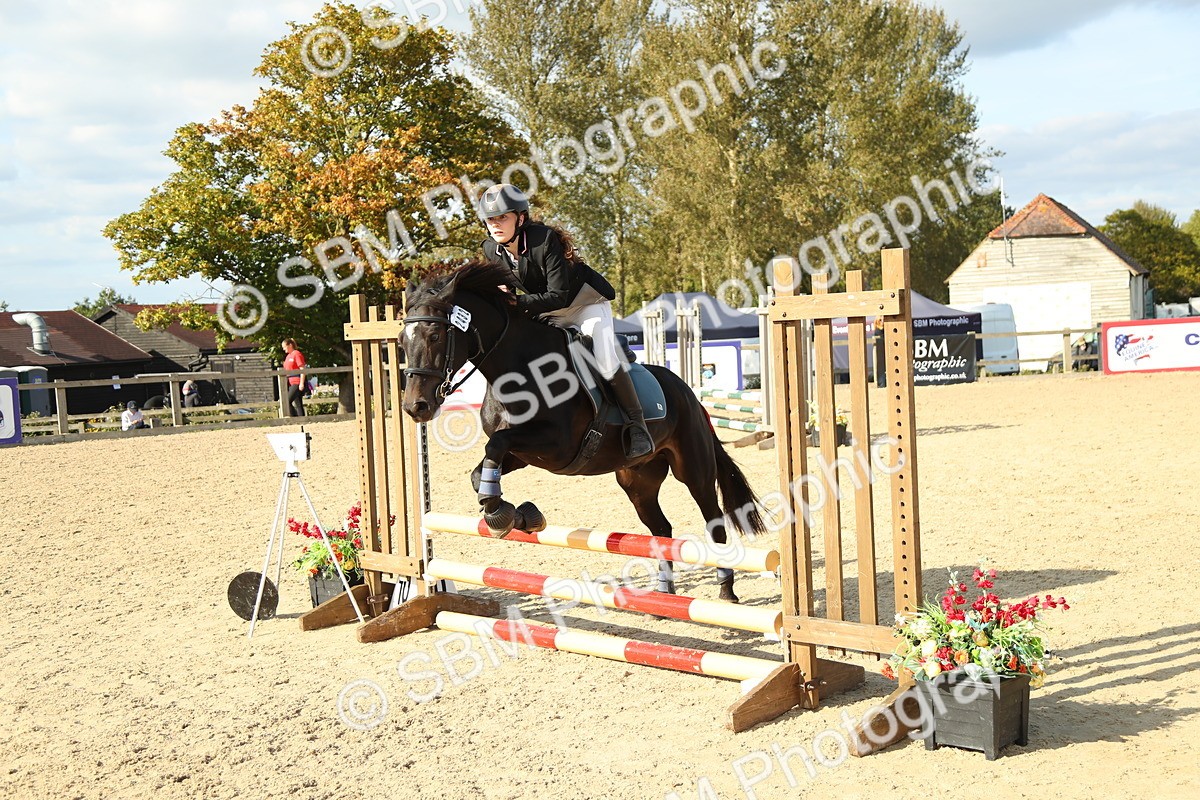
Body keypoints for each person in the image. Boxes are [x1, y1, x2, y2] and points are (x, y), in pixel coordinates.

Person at [477, 184, 652, 457]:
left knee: (605, 360)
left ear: (520, 218)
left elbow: (558, 295)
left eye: (502, 217)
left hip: (583, 305)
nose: (495, 225)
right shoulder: (491, 249)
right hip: (544, 310)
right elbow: (507, 293)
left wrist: (516, 302)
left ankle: (637, 425)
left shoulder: (544, 240)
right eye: (490, 220)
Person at [281, 338, 307, 417]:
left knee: (287, 401)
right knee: (298, 403)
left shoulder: (296, 354)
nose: (283, 349)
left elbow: (302, 369)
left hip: (297, 381)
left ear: (290, 345)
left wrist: (301, 383)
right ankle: (301, 419)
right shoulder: (288, 356)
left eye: (284, 347)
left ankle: (294, 418)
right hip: (291, 382)